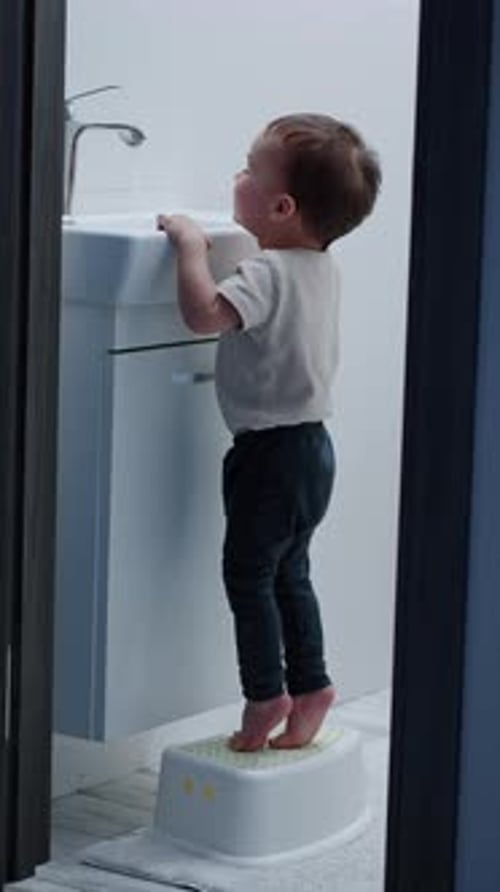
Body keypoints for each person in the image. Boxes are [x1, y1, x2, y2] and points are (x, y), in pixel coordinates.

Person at [157, 113, 381, 752]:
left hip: (268, 454)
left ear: (281, 206)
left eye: (250, 170)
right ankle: (311, 688)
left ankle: (264, 694)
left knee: (247, 576)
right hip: (313, 450)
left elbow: (204, 315)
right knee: (291, 573)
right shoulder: (320, 268)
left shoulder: (268, 271)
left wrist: (191, 247)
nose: (238, 176)